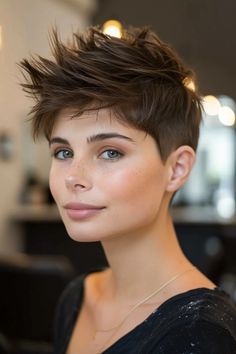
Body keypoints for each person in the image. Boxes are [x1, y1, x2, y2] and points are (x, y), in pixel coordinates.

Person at [20, 25, 236, 354]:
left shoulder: (203, 334)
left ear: (176, 169)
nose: (73, 177)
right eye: (63, 152)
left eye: (110, 152)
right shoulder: (76, 299)